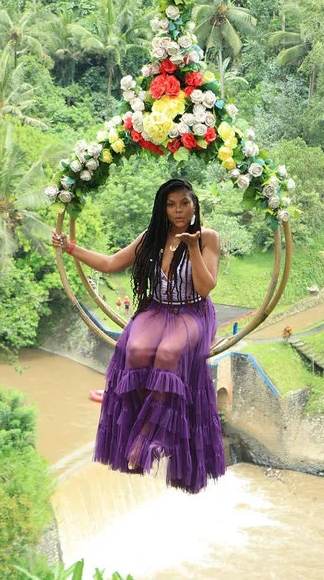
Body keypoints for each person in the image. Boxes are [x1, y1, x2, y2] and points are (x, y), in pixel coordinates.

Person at [51, 178, 226, 493]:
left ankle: (150, 433)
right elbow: (109, 264)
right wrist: (70, 247)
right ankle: (143, 424)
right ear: (162, 208)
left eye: (184, 203)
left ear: (195, 205)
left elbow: (204, 288)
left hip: (191, 311)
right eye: (171, 205)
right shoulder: (151, 238)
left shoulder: (208, 238)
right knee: (136, 350)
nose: (178, 211)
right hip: (157, 310)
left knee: (169, 355)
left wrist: (191, 246)